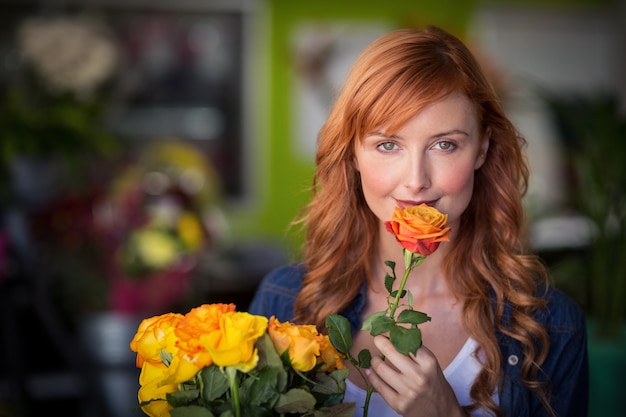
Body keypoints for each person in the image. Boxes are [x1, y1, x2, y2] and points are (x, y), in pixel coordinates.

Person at [248, 26, 588, 417]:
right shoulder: (283, 301)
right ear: (354, 154)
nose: (416, 180)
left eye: (444, 145)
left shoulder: (552, 326)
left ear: (482, 149)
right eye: (388, 144)